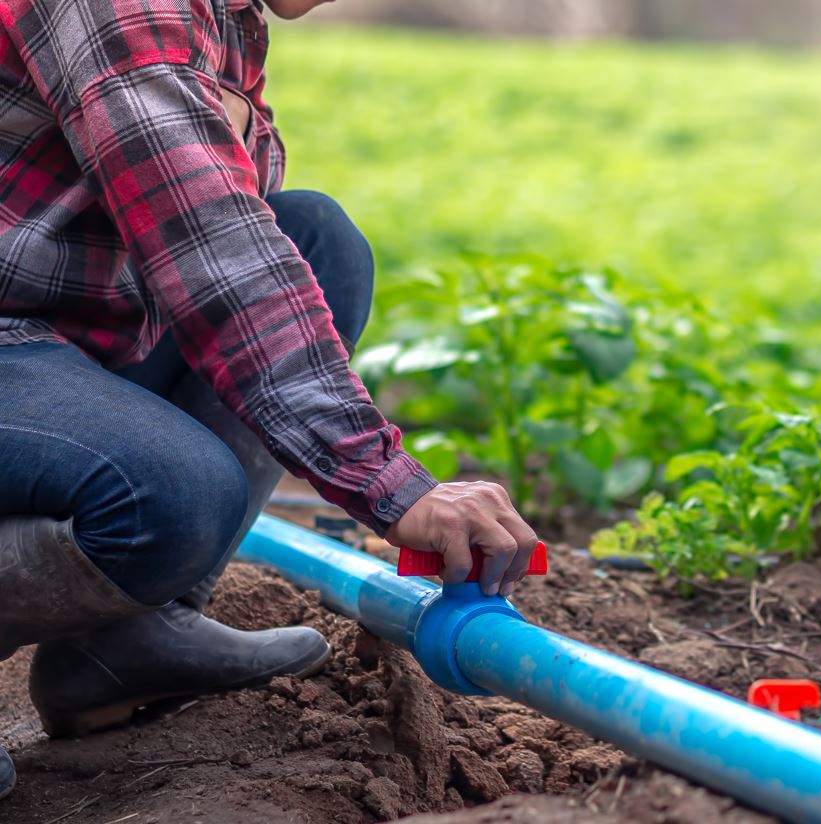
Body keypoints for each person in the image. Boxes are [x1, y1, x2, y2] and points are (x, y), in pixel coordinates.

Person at [0, 0, 538, 802]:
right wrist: (391, 485)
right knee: (170, 495)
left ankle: (121, 645)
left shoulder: (227, 12)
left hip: (50, 336)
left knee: (316, 238)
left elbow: (233, 194)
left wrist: (238, 126)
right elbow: (214, 244)